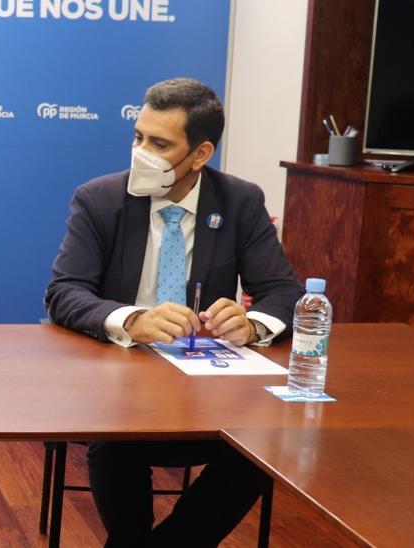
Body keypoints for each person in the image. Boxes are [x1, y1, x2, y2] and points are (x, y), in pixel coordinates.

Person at [45, 77, 303, 547]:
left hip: (207, 396)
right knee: (113, 440)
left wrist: (252, 323)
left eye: (159, 143)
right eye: (138, 137)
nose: (140, 152)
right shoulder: (99, 199)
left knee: (264, 443)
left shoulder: (239, 201)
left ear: (200, 154)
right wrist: (132, 320)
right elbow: (64, 292)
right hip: (120, 391)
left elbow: (284, 291)